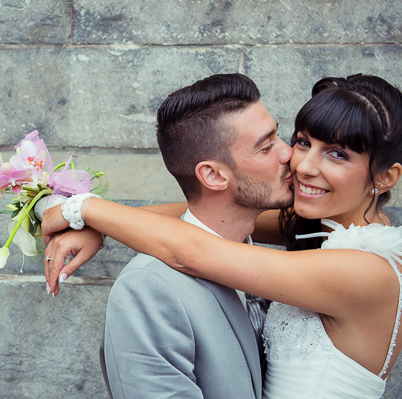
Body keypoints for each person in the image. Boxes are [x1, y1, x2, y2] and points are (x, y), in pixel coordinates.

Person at [42, 74, 402, 399]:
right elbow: (193, 215)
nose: (303, 165)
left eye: (338, 155)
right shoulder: (325, 227)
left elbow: (192, 249)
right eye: (303, 141)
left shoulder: (366, 272)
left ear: (385, 177)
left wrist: (84, 208)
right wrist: (98, 228)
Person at [45, 74, 294, 398]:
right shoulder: (148, 291)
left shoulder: (270, 253)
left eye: (279, 136)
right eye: (267, 146)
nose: (288, 153)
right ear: (213, 175)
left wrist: (97, 220)